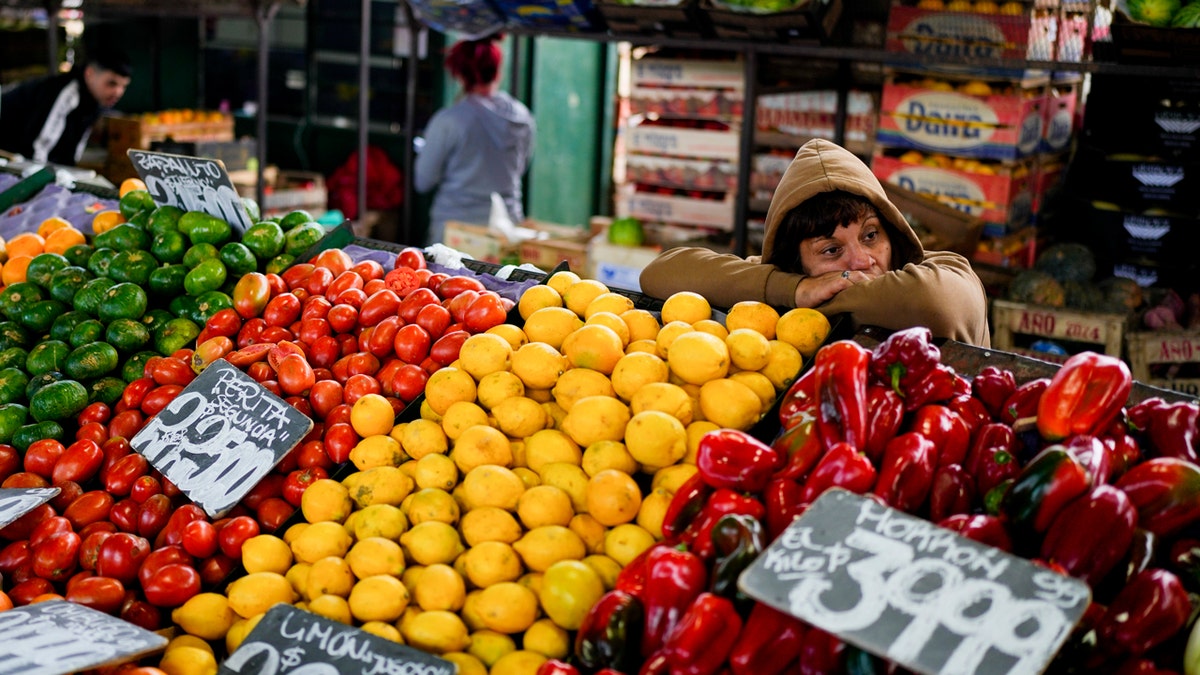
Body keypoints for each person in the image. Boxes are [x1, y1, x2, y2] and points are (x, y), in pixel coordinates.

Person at [640, 139, 991, 346]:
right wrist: (794, 290)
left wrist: (801, 304)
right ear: (797, 264)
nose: (861, 260)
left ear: (892, 229)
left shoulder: (948, 270)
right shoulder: (788, 280)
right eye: (831, 250)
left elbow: (933, 304)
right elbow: (659, 273)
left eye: (871, 236)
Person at [414, 34, 535, 246]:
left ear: (459, 74)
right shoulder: (522, 117)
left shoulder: (449, 120)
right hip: (506, 233)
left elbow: (423, 181)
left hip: (454, 237)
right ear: (498, 71)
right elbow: (522, 167)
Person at [0, 45, 132, 166]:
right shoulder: (65, 92)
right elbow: (37, 149)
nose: (118, 92)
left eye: (124, 86)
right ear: (90, 74)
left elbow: (73, 152)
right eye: (111, 83)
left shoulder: (95, 103)